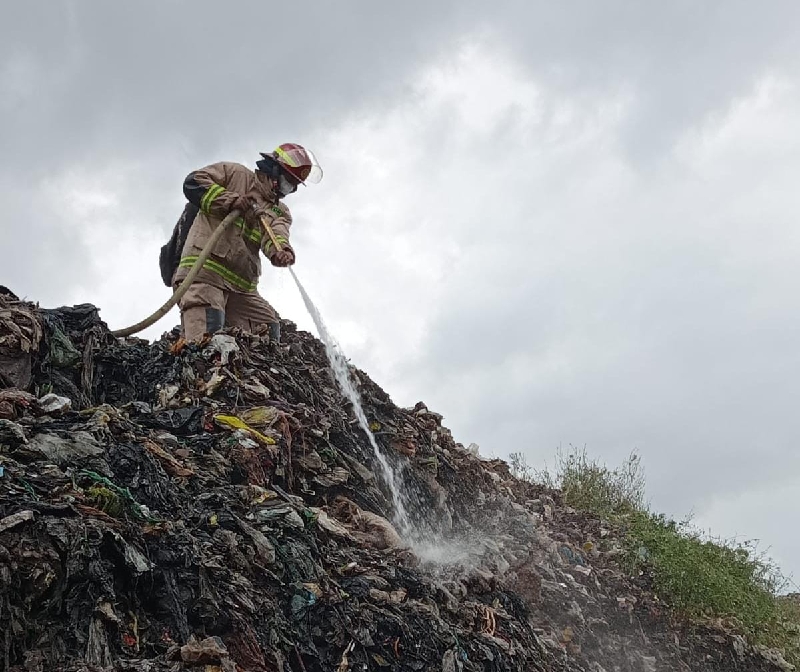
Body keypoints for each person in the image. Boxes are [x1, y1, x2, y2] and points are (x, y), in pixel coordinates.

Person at [170, 143, 322, 342]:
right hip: (204, 274)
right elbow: (194, 182)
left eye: (292, 187)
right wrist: (230, 200)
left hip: (241, 289)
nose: (287, 191)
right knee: (208, 342)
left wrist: (282, 251)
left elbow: (277, 234)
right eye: (287, 183)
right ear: (274, 171)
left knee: (267, 327)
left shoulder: (279, 211)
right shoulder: (235, 175)